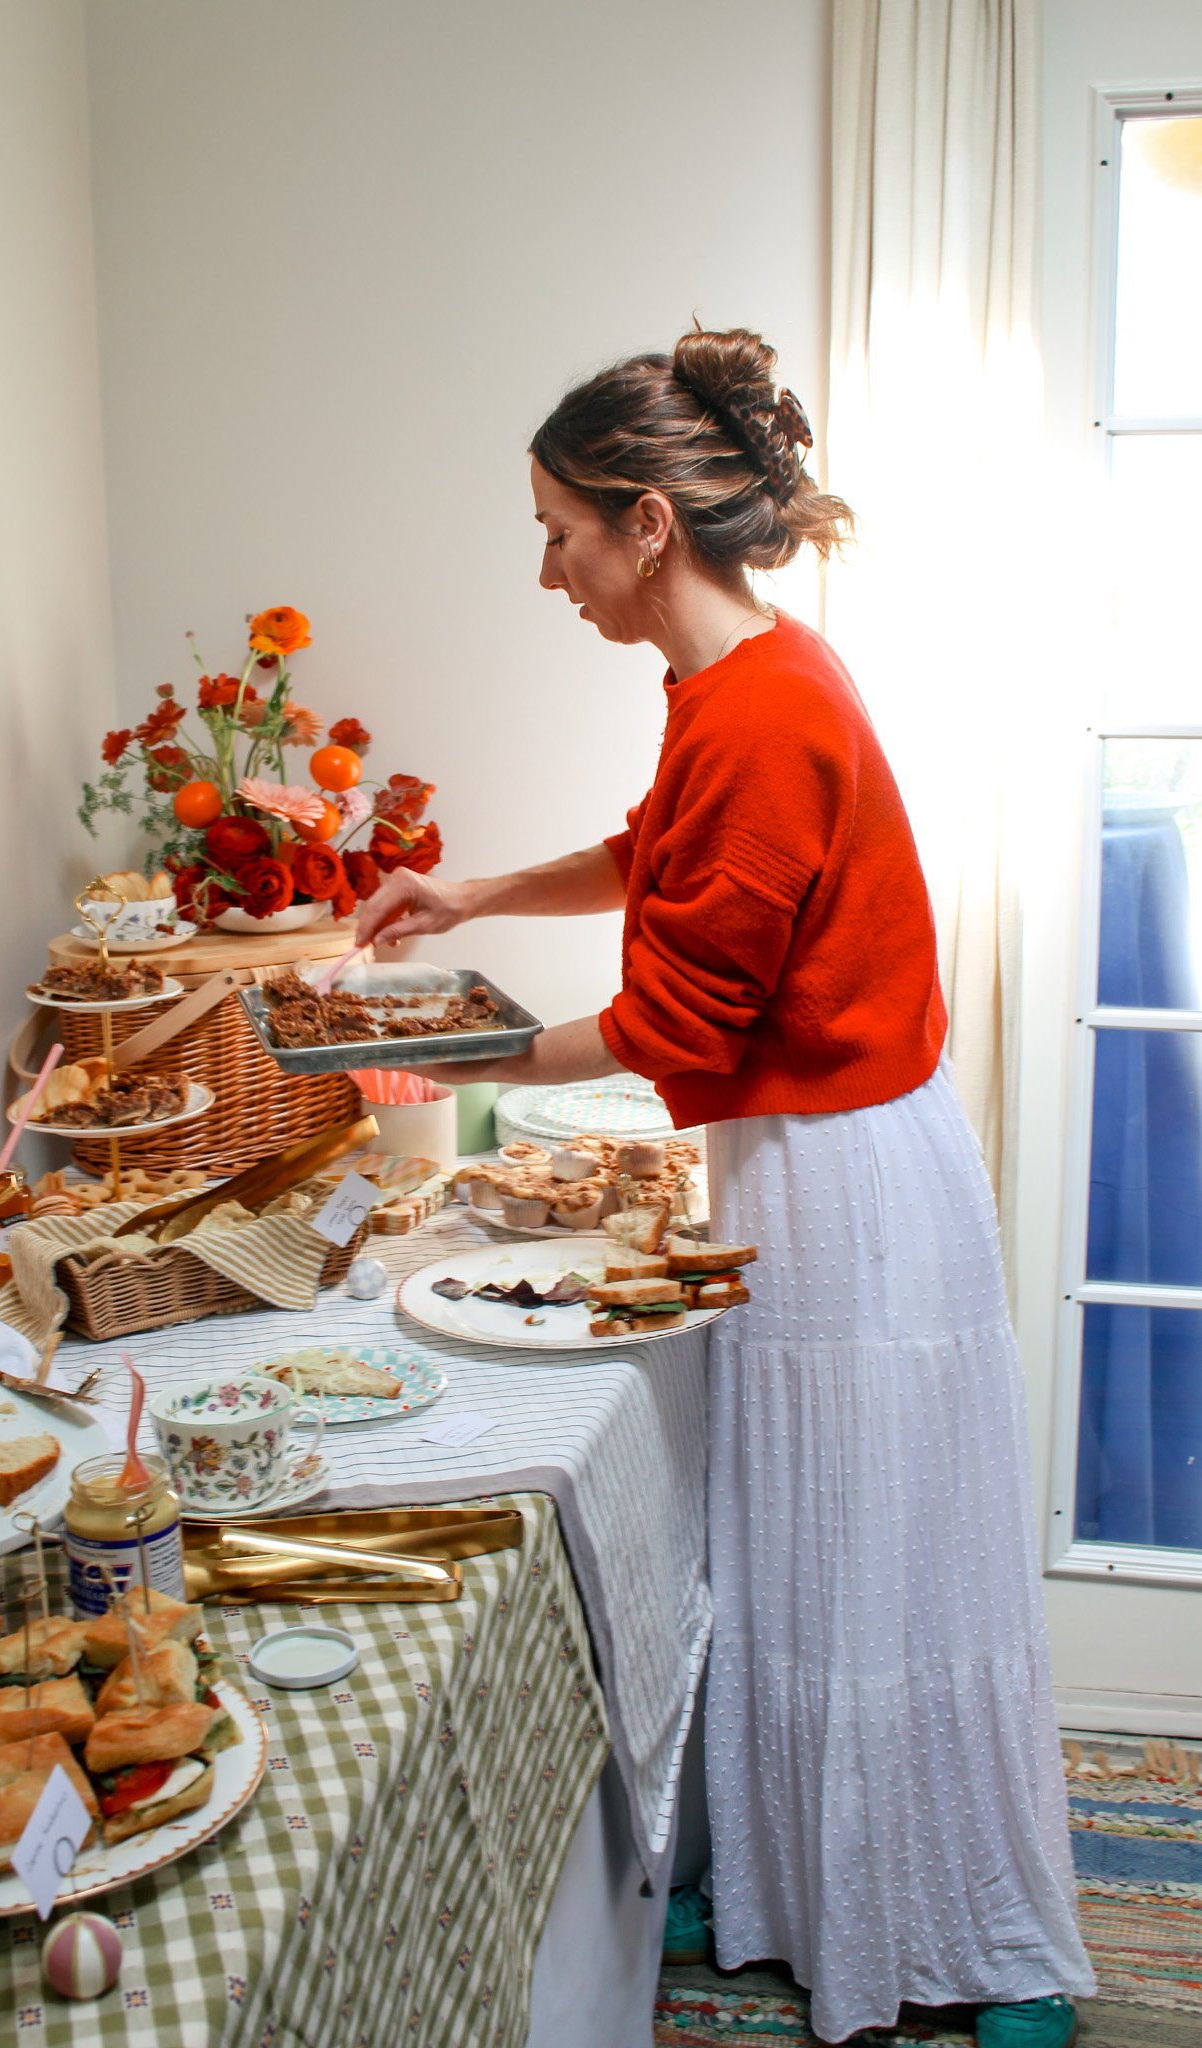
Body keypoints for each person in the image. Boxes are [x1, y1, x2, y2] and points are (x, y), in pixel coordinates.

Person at [354, 326, 1093, 2047]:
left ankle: (969, 1935)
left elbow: (668, 1024)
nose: (547, 572)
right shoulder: (740, 677)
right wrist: (471, 898)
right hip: (809, 1154)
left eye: (557, 534)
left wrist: (437, 1052)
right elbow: (655, 855)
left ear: (645, 526)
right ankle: (793, 1867)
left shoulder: (763, 707)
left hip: (846, 1174)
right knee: (804, 1542)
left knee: (877, 1555)